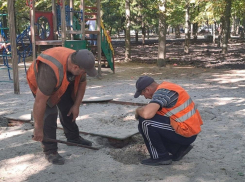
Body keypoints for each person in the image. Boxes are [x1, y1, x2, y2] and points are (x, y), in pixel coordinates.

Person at [26, 47, 98, 165]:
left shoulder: (79, 63)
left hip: (61, 78)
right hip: (41, 82)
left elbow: (82, 83)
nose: (84, 74)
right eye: (84, 71)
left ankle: (73, 138)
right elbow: (40, 102)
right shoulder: (50, 71)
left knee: (68, 107)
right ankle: (50, 150)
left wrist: (76, 105)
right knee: (50, 113)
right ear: (75, 67)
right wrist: (38, 128)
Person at [134, 76, 203, 166]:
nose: (146, 98)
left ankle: (160, 157)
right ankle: (178, 149)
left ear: (147, 90)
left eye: (143, 95)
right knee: (151, 121)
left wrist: (138, 110)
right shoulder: (167, 87)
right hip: (189, 130)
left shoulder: (161, 93)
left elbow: (147, 114)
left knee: (145, 122)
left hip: (186, 133)